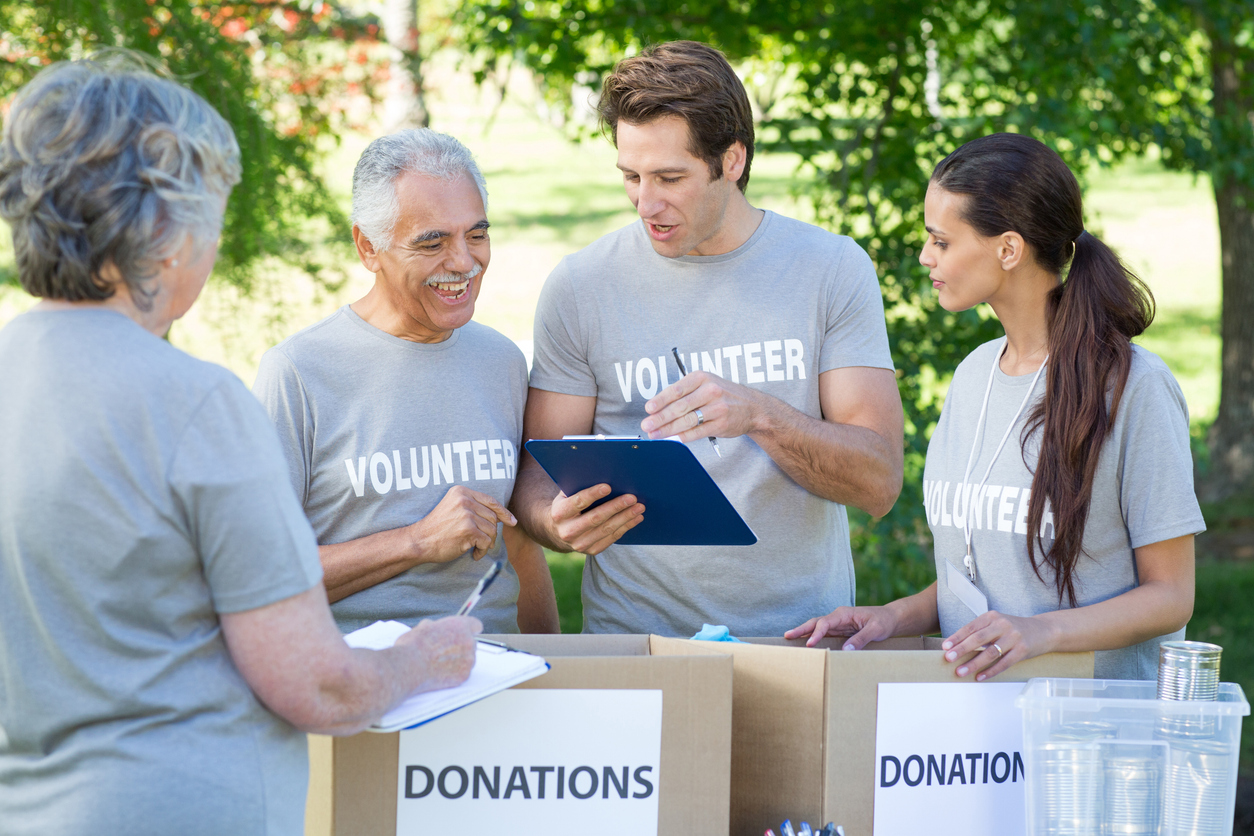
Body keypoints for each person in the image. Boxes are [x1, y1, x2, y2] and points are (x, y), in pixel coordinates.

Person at [0, 56, 480, 836]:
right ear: (163, 228)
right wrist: (423, 660)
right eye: (211, 214)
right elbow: (317, 687)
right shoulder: (193, 403)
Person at [513, 40, 905, 636]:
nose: (647, 203)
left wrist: (760, 415)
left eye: (671, 177)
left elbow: (878, 481)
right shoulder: (580, 286)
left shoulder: (830, 270)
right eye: (631, 177)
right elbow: (537, 470)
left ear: (732, 160)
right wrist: (553, 520)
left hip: (801, 639)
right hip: (635, 643)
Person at [788, 133, 1202, 681]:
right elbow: (987, 573)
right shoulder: (973, 376)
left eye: (941, 241)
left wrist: (1040, 633)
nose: (924, 256)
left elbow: (1171, 596)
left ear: (1008, 249)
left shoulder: (1135, 386)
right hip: (981, 742)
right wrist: (893, 617)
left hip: (1086, 740)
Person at [253, 129, 558, 635]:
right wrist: (416, 542)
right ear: (367, 247)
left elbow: (519, 544)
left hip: (500, 671)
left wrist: (555, 673)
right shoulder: (298, 374)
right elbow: (262, 577)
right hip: (362, 684)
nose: (463, 261)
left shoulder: (501, 361)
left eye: (476, 234)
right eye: (432, 241)